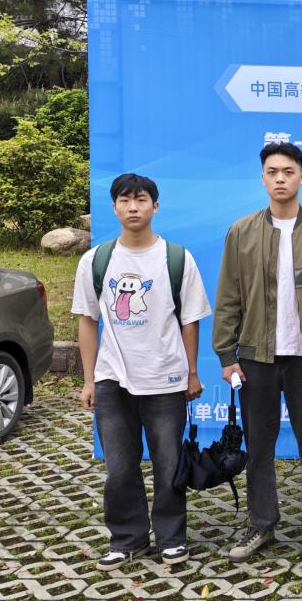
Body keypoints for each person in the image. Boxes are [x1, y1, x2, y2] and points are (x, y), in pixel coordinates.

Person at [213, 142, 302, 563]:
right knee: (259, 446)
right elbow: (229, 295)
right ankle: (261, 524)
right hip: (256, 356)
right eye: (272, 171)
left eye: (288, 171)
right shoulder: (242, 232)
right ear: (262, 178)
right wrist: (226, 354)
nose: (280, 179)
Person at [73, 173, 211, 570]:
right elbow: (87, 320)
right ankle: (127, 539)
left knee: (169, 464)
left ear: (155, 206)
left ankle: (171, 537)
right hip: (112, 379)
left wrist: (191, 373)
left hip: (165, 378)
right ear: (114, 207)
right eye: (125, 200)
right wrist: (89, 379)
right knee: (119, 467)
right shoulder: (96, 260)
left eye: (141, 199)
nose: (133, 207)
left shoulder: (177, 258)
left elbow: (189, 321)